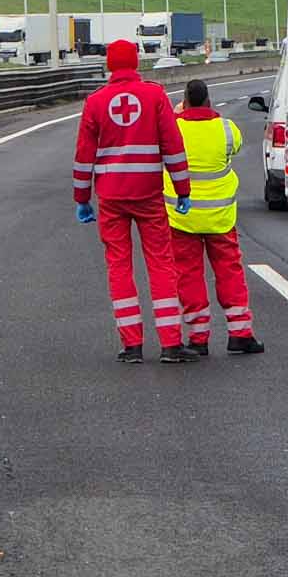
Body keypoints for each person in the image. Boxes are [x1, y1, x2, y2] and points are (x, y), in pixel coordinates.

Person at [73, 40, 194, 363]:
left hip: (111, 196)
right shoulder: (155, 96)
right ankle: (170, 343)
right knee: (160, 264)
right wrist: (183, 189)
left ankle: (132, 346)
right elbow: (173, 145)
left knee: (119, 266)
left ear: (110, 65)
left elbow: (84, 156)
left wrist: (82, 198)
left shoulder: (95, 102)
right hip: (148, 194)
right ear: (137, 62)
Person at [166, 79, 263, 355]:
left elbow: (166, 147)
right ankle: (240, 334)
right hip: (220, 218)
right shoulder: (227, 129)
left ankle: (198, 340)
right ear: (209, 101)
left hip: (182, 218)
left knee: (189, 275)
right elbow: (233, 149)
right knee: (229, 272)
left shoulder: (175, 128)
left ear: (184, 101)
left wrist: (177, 114)